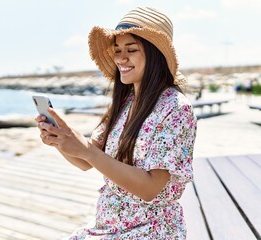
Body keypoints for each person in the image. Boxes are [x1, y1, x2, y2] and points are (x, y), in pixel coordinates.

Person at [35, 6, 197, 239]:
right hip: (109, 224)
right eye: (117, 50)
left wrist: (87, 152)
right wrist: (60, 140)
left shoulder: (176, 108)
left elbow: (150, 189)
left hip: (150, 229)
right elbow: (85, 161)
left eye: (131, 50)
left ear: (155, 56)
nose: (121, 58)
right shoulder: (126, 102)